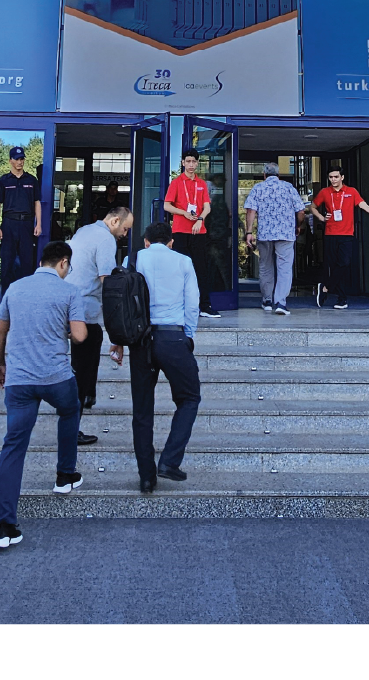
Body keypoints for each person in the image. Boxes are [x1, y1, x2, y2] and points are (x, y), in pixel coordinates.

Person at [0, 241, 88, 549]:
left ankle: (4, 527)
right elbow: (80, 335)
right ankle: (65, 475)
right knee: (70, 410)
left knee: (13, 445)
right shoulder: (69, 291)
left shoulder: (15, 288)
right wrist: (65, 329)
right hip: (56, 377)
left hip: (19, 381)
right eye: (68, 266)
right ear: (63, 263)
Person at [110, 222, 199, 493]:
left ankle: (146, 477)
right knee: (189, 398)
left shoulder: (134, 259)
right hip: (173, 337)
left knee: (142, 409)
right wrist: (188, 336)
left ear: (146, 242)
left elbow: (122, 302)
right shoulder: (183, 261)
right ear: (171, 242)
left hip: (141, 340)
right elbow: (192, 303)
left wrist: (119, 340)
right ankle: (170, 460)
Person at [65, 204, 133, 441]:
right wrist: (119, 325)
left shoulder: (84, 231)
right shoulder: (106, 240)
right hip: (85, 310)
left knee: (82, 357)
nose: (125, 234)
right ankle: (73, 426)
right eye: (125, 229)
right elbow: (108, 283)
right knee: (83, 365)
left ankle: (87, 395)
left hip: (70, 305)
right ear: (114, 221)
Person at [308, 165, 369, 309]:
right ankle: (342, 300)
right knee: (335, 266)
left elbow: (366, 207)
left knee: (344, 263)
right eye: (331, 177)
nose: (333, 180)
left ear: (342, 177)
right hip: (330, 234)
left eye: (336, 177)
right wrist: (322, 218)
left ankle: (325, 288)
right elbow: (312, 206)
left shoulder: (351, 192)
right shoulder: (324, 192)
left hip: (347, 234)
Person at [243, 163, 308, 315]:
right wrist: (297, 225)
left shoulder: (258, 188)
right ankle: (280, 303)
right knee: (284, 268)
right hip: (286, 234)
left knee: (265, 266)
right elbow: (301, 211)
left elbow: (251, 211)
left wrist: (249, 232)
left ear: (264, 175)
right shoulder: (288, 187)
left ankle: (267, 300)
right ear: (278, 175)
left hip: (265, 234)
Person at [164, 151, 220, 318]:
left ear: (197, 163)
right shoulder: (176, 182)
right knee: (179, 270)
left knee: (201, 269)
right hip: (180, 231)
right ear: (183, 163)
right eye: (188, 161)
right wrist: (184, 213)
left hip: (198, 231)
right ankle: (178, 305)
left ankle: (204, 306)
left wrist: (200, 219)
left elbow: (207, 207)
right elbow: (167, 205)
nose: (190, 164)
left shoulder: (201, 183)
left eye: (193, 161)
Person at [0, 146, 42, 293]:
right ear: (10, 161)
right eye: (17, 159)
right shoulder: (3, 180)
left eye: (22, 159)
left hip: (27, 224)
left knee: (27, 263)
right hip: (9, 224)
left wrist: (38, 224)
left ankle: (25, 298)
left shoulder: (31, 180)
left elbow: (37, 202)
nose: (20, 162)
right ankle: (5, 299)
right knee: (7, 263)